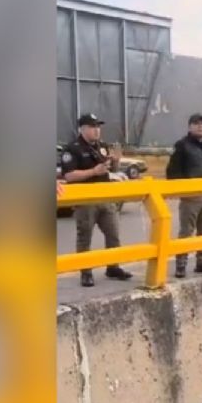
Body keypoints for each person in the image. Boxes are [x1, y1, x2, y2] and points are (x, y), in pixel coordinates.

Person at [61, 113, 132, 286]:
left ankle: (113, 266)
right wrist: (93, 172)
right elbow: (69, 175)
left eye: (98, 127)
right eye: (93, 127)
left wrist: (116, 161)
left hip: (105, 197)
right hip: (86, 200)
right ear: (83, 129)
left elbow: (108, 170)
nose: (97, 130)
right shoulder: (73, 148)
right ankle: (86, 271)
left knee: (113, 234)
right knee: (85, 237)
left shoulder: (102, 146)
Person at [166, 113, 202, 278]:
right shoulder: (182, 146)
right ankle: (181, 264)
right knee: (186, 232)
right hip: (191, 197)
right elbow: (173, 172)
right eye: (196, 123)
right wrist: (183, 189)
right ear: (190, 127)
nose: (200, 126)